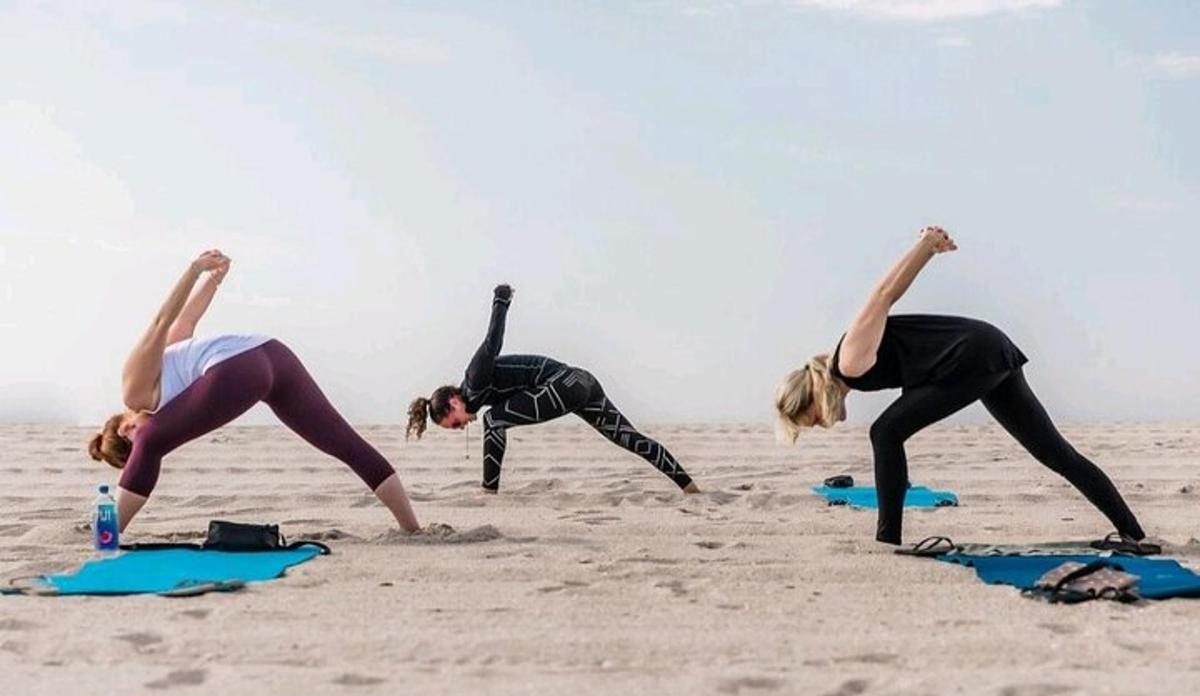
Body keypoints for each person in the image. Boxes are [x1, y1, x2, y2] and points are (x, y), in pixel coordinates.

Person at [774, 226, 1147, 546]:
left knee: (885, 432)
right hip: (984, 352)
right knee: (1055, 454)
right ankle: (1134, 534)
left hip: (972, 357)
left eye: (811, 418)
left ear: (813, 394)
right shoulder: (852, 367)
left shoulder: (850, 360)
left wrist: (925, 246)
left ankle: (887, 540)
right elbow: (915, 373)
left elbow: (883, 294)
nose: (821, 424)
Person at [88, 249, 421, 533]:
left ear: (125, 427)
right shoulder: (171, 373)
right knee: (346, 444)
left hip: (241, 368)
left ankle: (108, 532)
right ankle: (413, 529)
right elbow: (186, 322)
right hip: (275, 357)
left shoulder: (134, 391)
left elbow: (162, 321)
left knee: (153, 441)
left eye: (131, 449)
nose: (139, 443)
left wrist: (194, 270)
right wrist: (215, 280)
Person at [407, 284, 700, 495]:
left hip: (564, 384)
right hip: (582, 382)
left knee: (493, 420)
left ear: (453, 402)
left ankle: (488, 492)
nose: (460, 427)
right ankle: (690, 488)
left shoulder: (473, 379)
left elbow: (491, 343)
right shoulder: (480, 394)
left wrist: (501, 300)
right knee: (629, 439)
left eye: (454, 423)